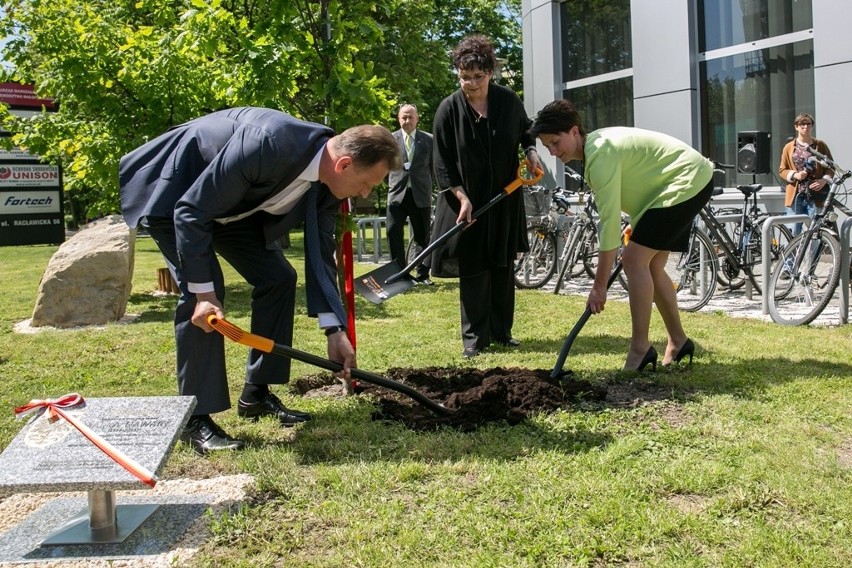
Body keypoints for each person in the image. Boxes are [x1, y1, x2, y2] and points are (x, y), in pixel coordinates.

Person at [120, 107, 400, 454]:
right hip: (175, 196)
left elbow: (319, 249)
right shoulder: (269, 143)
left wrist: (334, 329)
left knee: (279, 277)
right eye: (366, 185)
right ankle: (195, 418)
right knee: (205, 299)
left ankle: (256, 394)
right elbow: (191, 211)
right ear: (344, 165)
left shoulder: (330, 182)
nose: (363, 194)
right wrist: (203, 294)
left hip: (229, 209)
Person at [530, 99, 714, 370]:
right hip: (682, 183)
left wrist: (599, 285)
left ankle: (640, 348)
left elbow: (608, 224)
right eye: (547, 147)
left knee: (633, 260)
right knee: (650, 265)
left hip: (686, 182)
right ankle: (678, 341)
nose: (553, 152)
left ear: (573, 131)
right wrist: (639, 221)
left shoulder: (600, 152)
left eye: (555, 142)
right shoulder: (597, 149)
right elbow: (643, 180)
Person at [429, 34, 542, 359]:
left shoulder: (507, 101)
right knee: (475, 267)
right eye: (465, 77)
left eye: (478, 76)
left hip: (505, 198)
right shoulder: (448, 110)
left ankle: (502, 332)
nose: (471, 83)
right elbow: (442, 162)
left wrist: (531, 152)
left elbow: (526, 131)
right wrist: (461, 197)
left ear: (490, 73)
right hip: (467, 203)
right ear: (458, 74)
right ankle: (474, 339)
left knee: (503, 265)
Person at [386, 103, 435, 284]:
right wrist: (391, 185)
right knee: (393, 233)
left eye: (410, 117)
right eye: (403, 117)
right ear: (398, 119)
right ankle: (400, 274)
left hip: (420, 194)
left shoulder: (429, 140)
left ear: (417, 118)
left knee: (422, 236)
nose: (407, 120)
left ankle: (423, 275)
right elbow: (384, 169)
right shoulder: (390, 140)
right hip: (397, 195)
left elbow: (434, 168)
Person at [778, 113, 834, 236]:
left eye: (808, 124)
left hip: (815, 195)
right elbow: (782, 170)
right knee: (793, 231)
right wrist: (794, 175)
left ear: (812, 126)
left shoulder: (820, 145)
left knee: (815, 231)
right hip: (795, 195)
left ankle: (812, 256)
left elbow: (831, 167)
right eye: (802, 124)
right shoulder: (788, 147)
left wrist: (823, 180)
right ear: (796, 127)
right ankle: (792, 256)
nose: (805, 127)